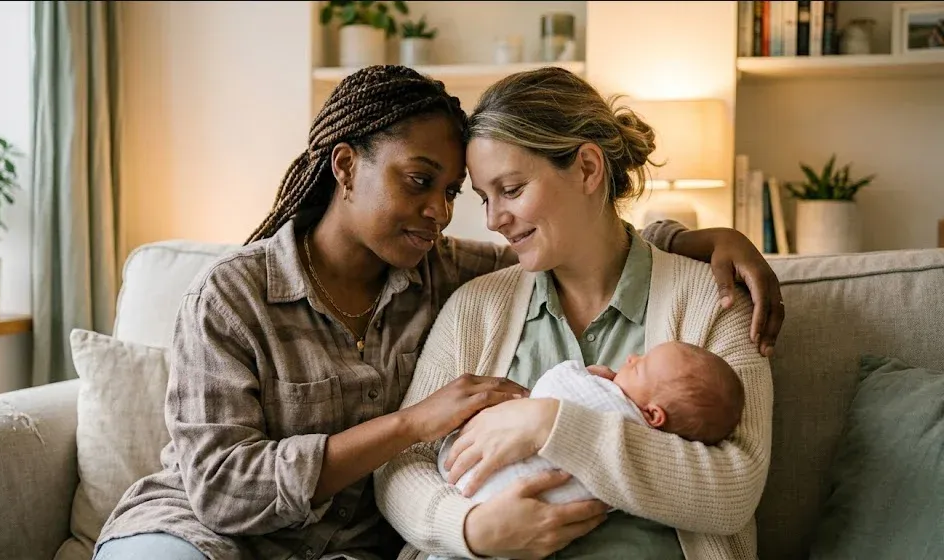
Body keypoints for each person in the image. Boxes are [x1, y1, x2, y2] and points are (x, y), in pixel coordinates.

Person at [93, 65, 782, 560]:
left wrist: (696, 241)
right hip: (208, 531)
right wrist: (462, 514)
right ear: (344, 168)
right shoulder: (239, 296)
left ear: (589, 169)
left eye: (464, 192)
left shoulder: (458, 273)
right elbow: (231, 490)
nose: (461, 216)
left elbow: (731, 487)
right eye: (431, 184)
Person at [374, 66, 775, 560]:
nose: (494, 220)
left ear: (587, 168)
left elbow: (734, 490)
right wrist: (471, 528)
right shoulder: (476, 308)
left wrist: (550, 425)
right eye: (483, 197)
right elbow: (400, 464)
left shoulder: (712, 301)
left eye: (512, 189)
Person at [438, 341, 745, 506]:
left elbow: (556, 385)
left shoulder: (617, 410)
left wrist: (577, 383)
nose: (631, 359)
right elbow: (413, 456)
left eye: (640, 368)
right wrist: (469, 531)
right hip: (475, 513)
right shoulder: (477, 300)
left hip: (479, 488)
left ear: (652, 416)